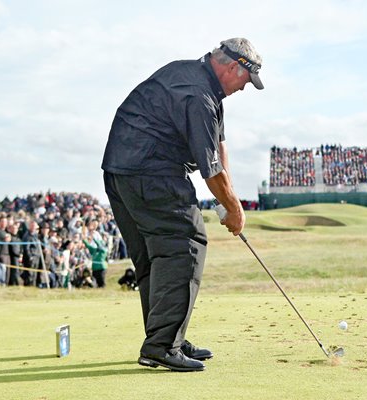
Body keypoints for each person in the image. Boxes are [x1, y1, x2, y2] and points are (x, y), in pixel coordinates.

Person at [101, 38, 264, 372]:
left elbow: (220, 149)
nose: (246, 88)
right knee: (185, 245)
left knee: (155, 256)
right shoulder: (198, 96)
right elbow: (210, 170)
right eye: (246, 81)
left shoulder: (197, 79)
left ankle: (167, 337)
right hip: (151, 172)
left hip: (120, 172)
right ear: (233, 67)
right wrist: (233, 209)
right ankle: (163, 345)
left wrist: (232, 201)